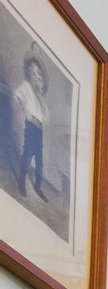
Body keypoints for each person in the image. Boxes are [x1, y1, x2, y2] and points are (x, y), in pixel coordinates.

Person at [11, 52, 49, 202]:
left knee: (40, 160)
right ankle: (21, 182)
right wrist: (26, 113)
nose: (35, 75)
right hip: (31, 126)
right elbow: (16, 94)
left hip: (39, 130)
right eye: (32, 72)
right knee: (27, 155)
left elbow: (46, 115)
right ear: (28, 72)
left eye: (38, 73)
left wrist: (39, 94)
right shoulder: (25, 87)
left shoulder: (38, 93)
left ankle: (38, 187)